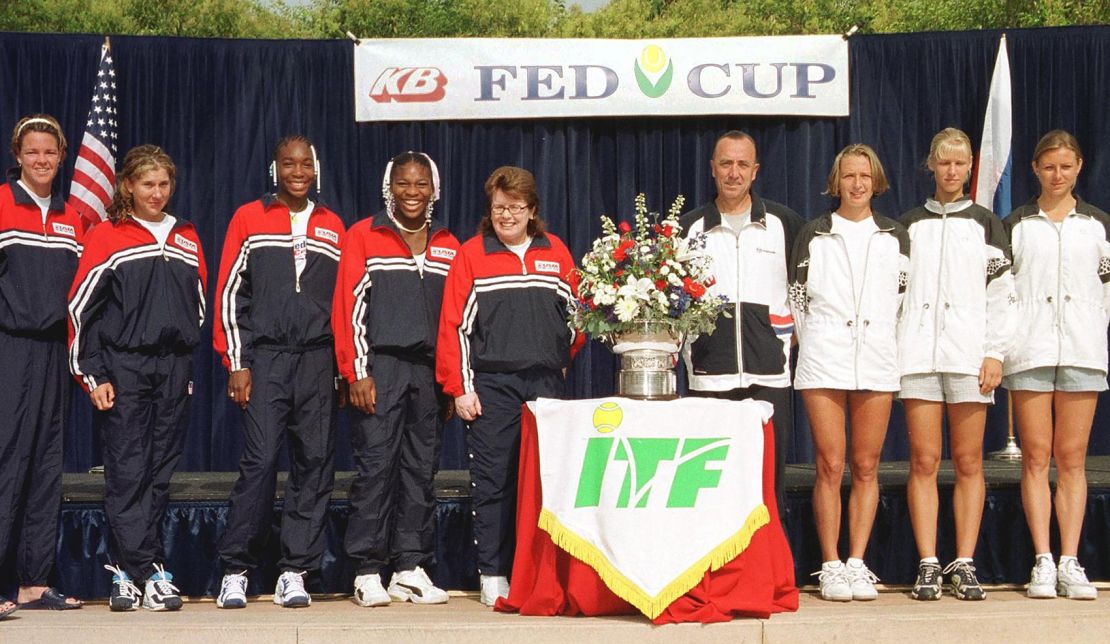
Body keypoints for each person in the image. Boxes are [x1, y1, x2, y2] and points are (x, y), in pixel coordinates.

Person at [68, 144, 207, 612]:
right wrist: (94, 374)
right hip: (124, 367)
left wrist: (181, 337)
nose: (156, 192)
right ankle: (142, 571)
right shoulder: (108, 235)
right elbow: (80, 310)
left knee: (159, 472)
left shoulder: (185, 234)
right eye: (147, 183)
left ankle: (134, 570)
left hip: (174, 368)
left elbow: (200, 301)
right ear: (127, 185)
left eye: (164, 183)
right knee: (128, 471)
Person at [436, 166, 583, 606]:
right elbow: (454, 327)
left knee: (545, 481)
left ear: (532, 210)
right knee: (494, 480)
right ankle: (494, 574)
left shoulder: (556, 253)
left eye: (516, 207)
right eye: (499, 207)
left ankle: (538, 573)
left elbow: (578, 319)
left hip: (545, 386)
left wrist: (559, 362)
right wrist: (460, 387)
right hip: (493, 385)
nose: (506, 215)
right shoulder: (471, 255)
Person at [213, 135, 346, 609]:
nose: (297, 171)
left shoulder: (333, 225)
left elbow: (345, 303)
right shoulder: (250, 217)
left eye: (305, 163)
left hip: (317, 360)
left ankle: (295, 569)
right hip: (266, 358)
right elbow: (231, 293)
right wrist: (238, 361)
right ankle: (236, 569)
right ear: (275, 168)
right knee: (261, 461)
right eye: (288, 163)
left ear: (315, 168)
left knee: (314, 464)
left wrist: (344, 369)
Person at [333, 152, 460, 607]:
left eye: (421, 184)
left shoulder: (448, 243)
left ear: (434, 188)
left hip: (428, 374)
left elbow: (455, 321)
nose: (412, 192)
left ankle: (408, 566)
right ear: (389, 187)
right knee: (375, 470)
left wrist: (450, 380)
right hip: (379, 368)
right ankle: (367, 569)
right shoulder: (364, 236)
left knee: (419, 473)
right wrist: (358, 372)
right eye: (404, 183)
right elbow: (348, 310)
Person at [898, 128, 1015, 601]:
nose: (951, 171)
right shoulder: (907, 225)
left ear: (970, 168)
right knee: (924, 461)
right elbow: (896, 294)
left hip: (969, 358)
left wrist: (994, 352)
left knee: (968, 461)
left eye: (960, 163)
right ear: (931, 165)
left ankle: (963, 561)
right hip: (918, 357)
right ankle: (928, 561)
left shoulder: (987, 224)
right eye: (944, 162)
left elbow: (1003, 295)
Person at [789, 144, 909, 602]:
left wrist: (880, 339)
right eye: (848, 176)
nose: (857, 184)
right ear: (835, 181)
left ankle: (857, 562)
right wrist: (818, 337)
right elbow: (797, 297)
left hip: (877, 357)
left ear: (875, 181)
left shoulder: (896, 235)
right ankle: (830, 564)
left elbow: (903, 298)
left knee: (865, 464)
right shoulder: (814, 233)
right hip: (824, 357)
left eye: (864, 175)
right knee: (829, 463)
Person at [1004, 130, 1107, 601]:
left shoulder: (1098, 226)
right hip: (1030, 352)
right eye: (1049, 167)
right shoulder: (1015, 225)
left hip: (1082, 352)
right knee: (1036, 457)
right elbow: (1001, 293)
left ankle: (1070, 560)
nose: (1057, 175)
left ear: (1079, 167)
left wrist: (1089, 327)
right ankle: (1042, 559)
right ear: (1035, 169)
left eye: (1065, 166)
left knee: (1072, 459)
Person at [679, 130, 802, 511]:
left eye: (742, 164)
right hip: (708, 376)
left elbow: (804, 293)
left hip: (769, 378)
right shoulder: (688, 228)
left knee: (767, 485)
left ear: (755, 171)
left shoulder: (784, 223)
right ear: (713, 169)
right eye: (726, 163)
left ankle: (770, 570)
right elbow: (673, 303)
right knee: (714, 486)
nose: (734, 172)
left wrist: (783, 337)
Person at [0, 114, 85, 616]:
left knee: (45, 466)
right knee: (7, 462)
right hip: (9, 348)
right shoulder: (2, 205)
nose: (41, 160)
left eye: (49, 152)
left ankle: (33, 582)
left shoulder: (74, 215)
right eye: (32, 152)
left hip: (56, 351)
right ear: (17, 156)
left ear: (62, 155)